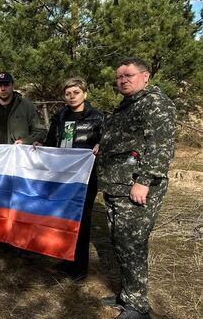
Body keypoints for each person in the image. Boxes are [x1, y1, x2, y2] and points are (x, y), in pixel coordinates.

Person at [98, 57, 176, 319]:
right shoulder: (128, 105)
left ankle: (138, 307)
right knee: (120, 242)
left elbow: (161, 147)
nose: (123, 80)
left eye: (128, 75)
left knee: (132, 243)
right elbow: (126, 141)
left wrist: (144, 181)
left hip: (136, 187)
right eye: (119, 77)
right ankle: (127, 294)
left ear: (145, 76)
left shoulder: (155, 103)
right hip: (117, 186)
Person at [33, 77, 104, 281]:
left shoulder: (97, 117)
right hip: (62, 177)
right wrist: (40, 145)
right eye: (68, 93)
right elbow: (51, 143)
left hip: (84, 177)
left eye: (76, 92)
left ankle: (79, 268)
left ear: (85, 94)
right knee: (63, 219)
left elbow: (107, 141)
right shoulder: (60, 117)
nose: (72, 97)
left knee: (81, 221)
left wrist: (101, 146)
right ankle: (66, 259)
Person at [0, 72, 46, 147]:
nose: (3, 89)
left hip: (18, 154)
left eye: (6, 85)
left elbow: (40, 131)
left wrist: (25, 141)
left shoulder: (27, 106)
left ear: (12, 86)